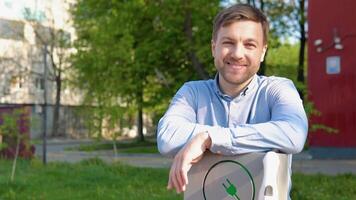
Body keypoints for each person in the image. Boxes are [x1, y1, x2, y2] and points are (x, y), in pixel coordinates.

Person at [156, 3, 308, 195]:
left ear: (262, 52)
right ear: (214, 48)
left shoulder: (277, 89)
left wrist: (209, 139)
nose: (237, 54)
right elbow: (168, 137)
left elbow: (294, 133)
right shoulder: (192, 93)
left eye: (249, 45)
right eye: (228, 42)